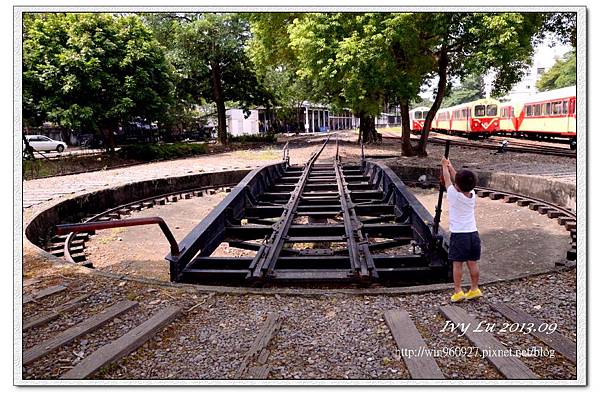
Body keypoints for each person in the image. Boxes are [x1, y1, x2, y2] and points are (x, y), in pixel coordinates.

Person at [441, 158, 482, 302]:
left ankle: (458, 291)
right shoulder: (472, 195)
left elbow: (447, 180)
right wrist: (451, 166)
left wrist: (444, 167)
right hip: (473, 234)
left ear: (457, 184)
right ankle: (474, 288)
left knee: (457, 264)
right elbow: (458, 179)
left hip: (459, 235)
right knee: (473, 263)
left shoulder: (454, 195)